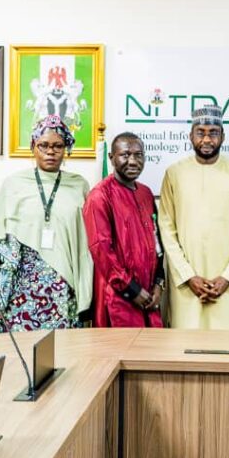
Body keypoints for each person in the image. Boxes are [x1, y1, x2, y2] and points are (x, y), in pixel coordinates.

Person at [158, 104, 229, 330]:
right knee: (184, 351)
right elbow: (167, 230)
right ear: (190, 136)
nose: (206, 139)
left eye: (213, 133)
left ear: (222, 136)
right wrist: (188, 276)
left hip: (228, 287)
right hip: (186, 287)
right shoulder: (174, 174)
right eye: (200, 132)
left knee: (228, 353)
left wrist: (227, 278)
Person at [0, 115, 93, 330]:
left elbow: (85, 244)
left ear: (66, 149)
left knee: (61, 352)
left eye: (58, 146)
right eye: (43, 145)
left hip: (64, 283)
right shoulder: (13, 185)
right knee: (19, 353)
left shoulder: (79, 186)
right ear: (33, 147)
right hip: (20, 284)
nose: (50, 151)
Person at [83, 132, 165, 328]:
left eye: (138, 155)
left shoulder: (145, 193)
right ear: (111, 158)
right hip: (118, 297)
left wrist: (159, 284)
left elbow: (156, 242)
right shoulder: (100, 197)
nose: (133, 161)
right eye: (125, 155)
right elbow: (101, 251)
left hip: (148, 294)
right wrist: (133, 291)